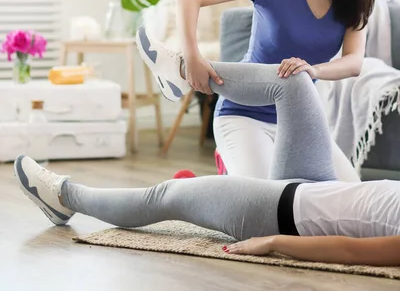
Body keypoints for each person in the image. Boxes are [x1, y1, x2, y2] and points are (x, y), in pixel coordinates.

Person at [15, 36, 400, 266]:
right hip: (319, 183)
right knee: (296, 80)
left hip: (280, 213)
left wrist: (274, 242)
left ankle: (63, 197)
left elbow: (352, 251)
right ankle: (183, 72)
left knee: (166, 196)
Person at [172, 0, 376, 180]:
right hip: (244, 114)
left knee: (351, 200)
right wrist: (193, 58)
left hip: (300, 121)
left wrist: (312, 70)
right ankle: (216, 180)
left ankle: (227, 184)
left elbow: (354, 62)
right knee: (268, 205)